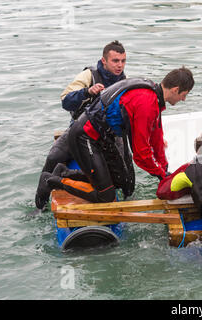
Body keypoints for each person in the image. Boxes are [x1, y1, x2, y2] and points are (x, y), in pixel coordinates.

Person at [39, 67, 195, 205]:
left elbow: (156, 138)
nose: (184, 99)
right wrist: (161, 174)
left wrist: (165, 170)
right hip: (85, 137)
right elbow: (141, 154)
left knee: (122, 182)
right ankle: (51, 180)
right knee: (106, 196)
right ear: (175, 89)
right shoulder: (146, 103)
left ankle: (63, 172)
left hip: (103, 138)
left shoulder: (154, 96)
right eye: (184, 95)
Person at [35, 41, 128, 209]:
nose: (120, 65)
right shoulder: (88, 76)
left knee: (123, 177)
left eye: (123, 61)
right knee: (54, 157)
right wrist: (87, 92)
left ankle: (115, 199)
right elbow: (65, 101)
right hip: (81, 130)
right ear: (104, 60)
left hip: (109, 135)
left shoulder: (124, 82)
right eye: (115, 61)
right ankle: (40, 204)